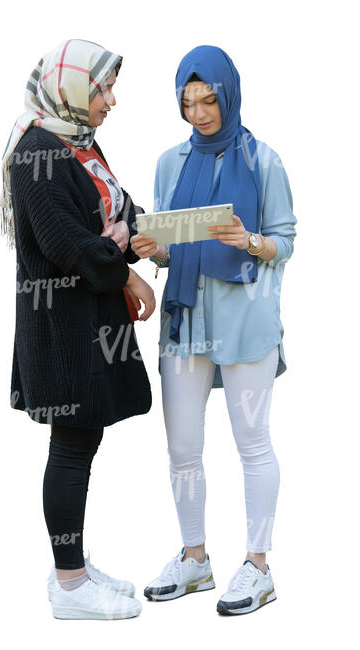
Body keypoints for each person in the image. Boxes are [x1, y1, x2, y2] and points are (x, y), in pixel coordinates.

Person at [131, 45, 297, 616]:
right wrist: (154, 252)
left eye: (209, 100)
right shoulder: (169, 162)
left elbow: (286, 240)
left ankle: (257, 566)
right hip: (184, 319)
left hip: (246, 321)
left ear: (229, 94)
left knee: (253, 444)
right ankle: (195, 558)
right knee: (182, 448)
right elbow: (170, 243)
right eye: (187, 102)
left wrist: (250, 241)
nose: (198, 112)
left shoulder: (264, 160)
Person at [0, 39, 156, 620]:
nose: (111, 100)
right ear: (69, 91)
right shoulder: (36, 152)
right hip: (63, 326)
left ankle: (76, 568)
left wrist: (133, 234)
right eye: (102, 89)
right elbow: (68, 245)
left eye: (111, 88)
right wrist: (125, 273)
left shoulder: (77, 144)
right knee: (70, 448)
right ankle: (69, 585)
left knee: (82, 444)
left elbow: (117, 210)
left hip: (91, 318)